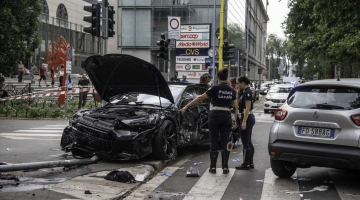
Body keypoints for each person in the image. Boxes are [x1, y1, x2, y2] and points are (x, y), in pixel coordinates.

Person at [180, 68, 238, 174]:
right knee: (225, 142)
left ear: (218, 77)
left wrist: (186, 106)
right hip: (226, 116)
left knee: (214, 141)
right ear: (227, 78)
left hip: (214, 115)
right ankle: (225, 167)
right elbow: (236, 106)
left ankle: (213, 167)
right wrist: (234, 119)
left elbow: (200, 98)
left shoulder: (214, 88)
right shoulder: (231, 90)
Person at [235, 76, 256, 170]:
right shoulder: (243, 92)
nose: (237, 85)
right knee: (248, 141)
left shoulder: (248, 92)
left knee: (245, 142)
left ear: (243, 83)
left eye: (238, 83)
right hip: (245, 118)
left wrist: (244, 121)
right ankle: (250, 162)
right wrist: (237, 92)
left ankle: (246, 163)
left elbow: (247, 108)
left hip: (246, 118)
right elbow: (237, 104)